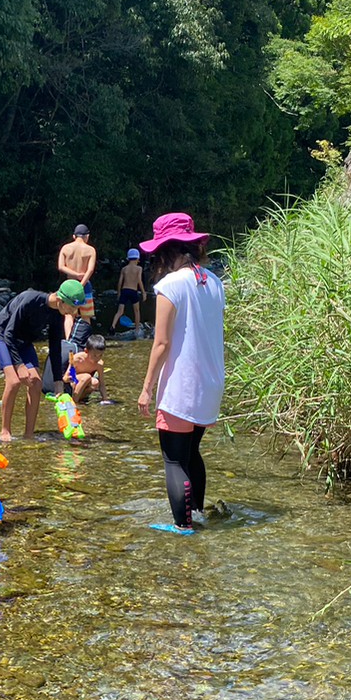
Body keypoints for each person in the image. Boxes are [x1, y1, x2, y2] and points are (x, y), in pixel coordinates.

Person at [137, 213, 225, 534]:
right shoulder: (213, 282)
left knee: (173, 459)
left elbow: (161, 342)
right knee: (192, 452)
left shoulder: (170, 285)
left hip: (182, 385)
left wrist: (146, 387)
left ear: (165, 251)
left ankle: (182, 526)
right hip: (211, 383)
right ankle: (197, 513)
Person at [0, 281, 85, 441]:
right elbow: (8, 334)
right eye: (71, 307)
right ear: (60, 300)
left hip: (24, 342)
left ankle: (28, 434)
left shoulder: (58, 315)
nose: (73, 312)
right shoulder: (31, 300)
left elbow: (55, 347)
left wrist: (58, 382)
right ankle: (5, 431)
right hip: (3, 336)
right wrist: (20, 366)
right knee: (14, 381)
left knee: (36, 383)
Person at [57, 225, 97, 338]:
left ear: (74, 236)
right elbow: (90, 269)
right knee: (86, 316)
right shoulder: (91, 250)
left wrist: (75, 275)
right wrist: (81, 284)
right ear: (87, 236)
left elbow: (61, 266)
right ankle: (85, 342)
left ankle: (69, 340)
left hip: (69, 286)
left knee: (69, 315)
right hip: (84, 285)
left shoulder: (65, 248)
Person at [112, 248, 147, 334]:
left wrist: (119, 293)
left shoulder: (124, 269)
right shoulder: (139, 268)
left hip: (124, 290)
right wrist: (143, 292)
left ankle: (112, 326)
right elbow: (139, 280)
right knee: (137, 311)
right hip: (133, 291)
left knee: (120, 311)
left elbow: (120, 282)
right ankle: (137, 330)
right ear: (138, 258)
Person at [66, 333, 106, 405]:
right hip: (72, 384)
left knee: (95, 383)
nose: (97, 358)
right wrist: (71, 378)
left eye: (100, 355)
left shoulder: (99, 364)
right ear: (86, 351)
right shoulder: (77, 359)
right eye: (94, 355)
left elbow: (102, 384)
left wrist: (105, 399)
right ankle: (74, 402)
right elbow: (66, 377)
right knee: (87, 376)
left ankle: (79, 398)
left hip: (83, 385)